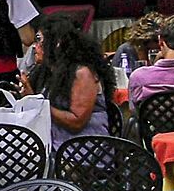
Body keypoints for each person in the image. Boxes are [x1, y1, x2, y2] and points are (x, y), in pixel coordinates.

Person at [24, 17, 113, 149]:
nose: (34, 46)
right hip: (57, 146)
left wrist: (38, 105)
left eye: (39, 40)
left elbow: (76, 122)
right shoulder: (49, 71)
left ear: (57, 43)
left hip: (83, 153)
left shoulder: (82, 73)